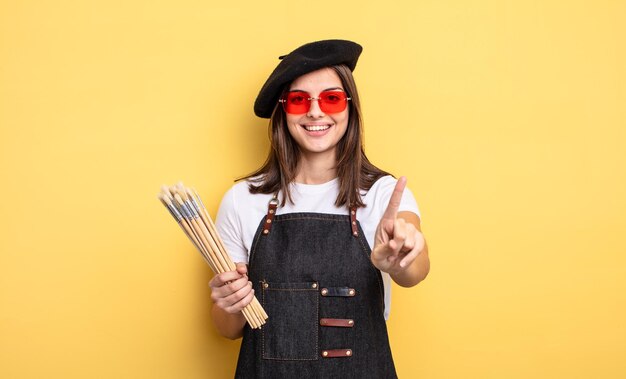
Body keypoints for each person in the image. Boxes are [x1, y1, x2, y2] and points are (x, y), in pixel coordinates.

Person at [209, 39, 430, 378]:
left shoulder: (383, 194)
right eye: (299, 101)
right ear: (283, 110)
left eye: (331, 98)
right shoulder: (242, 199)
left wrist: (402, 257)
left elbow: (415, 268)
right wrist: (229, 302)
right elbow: (228, 328)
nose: (315, 111)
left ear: (349, 107)